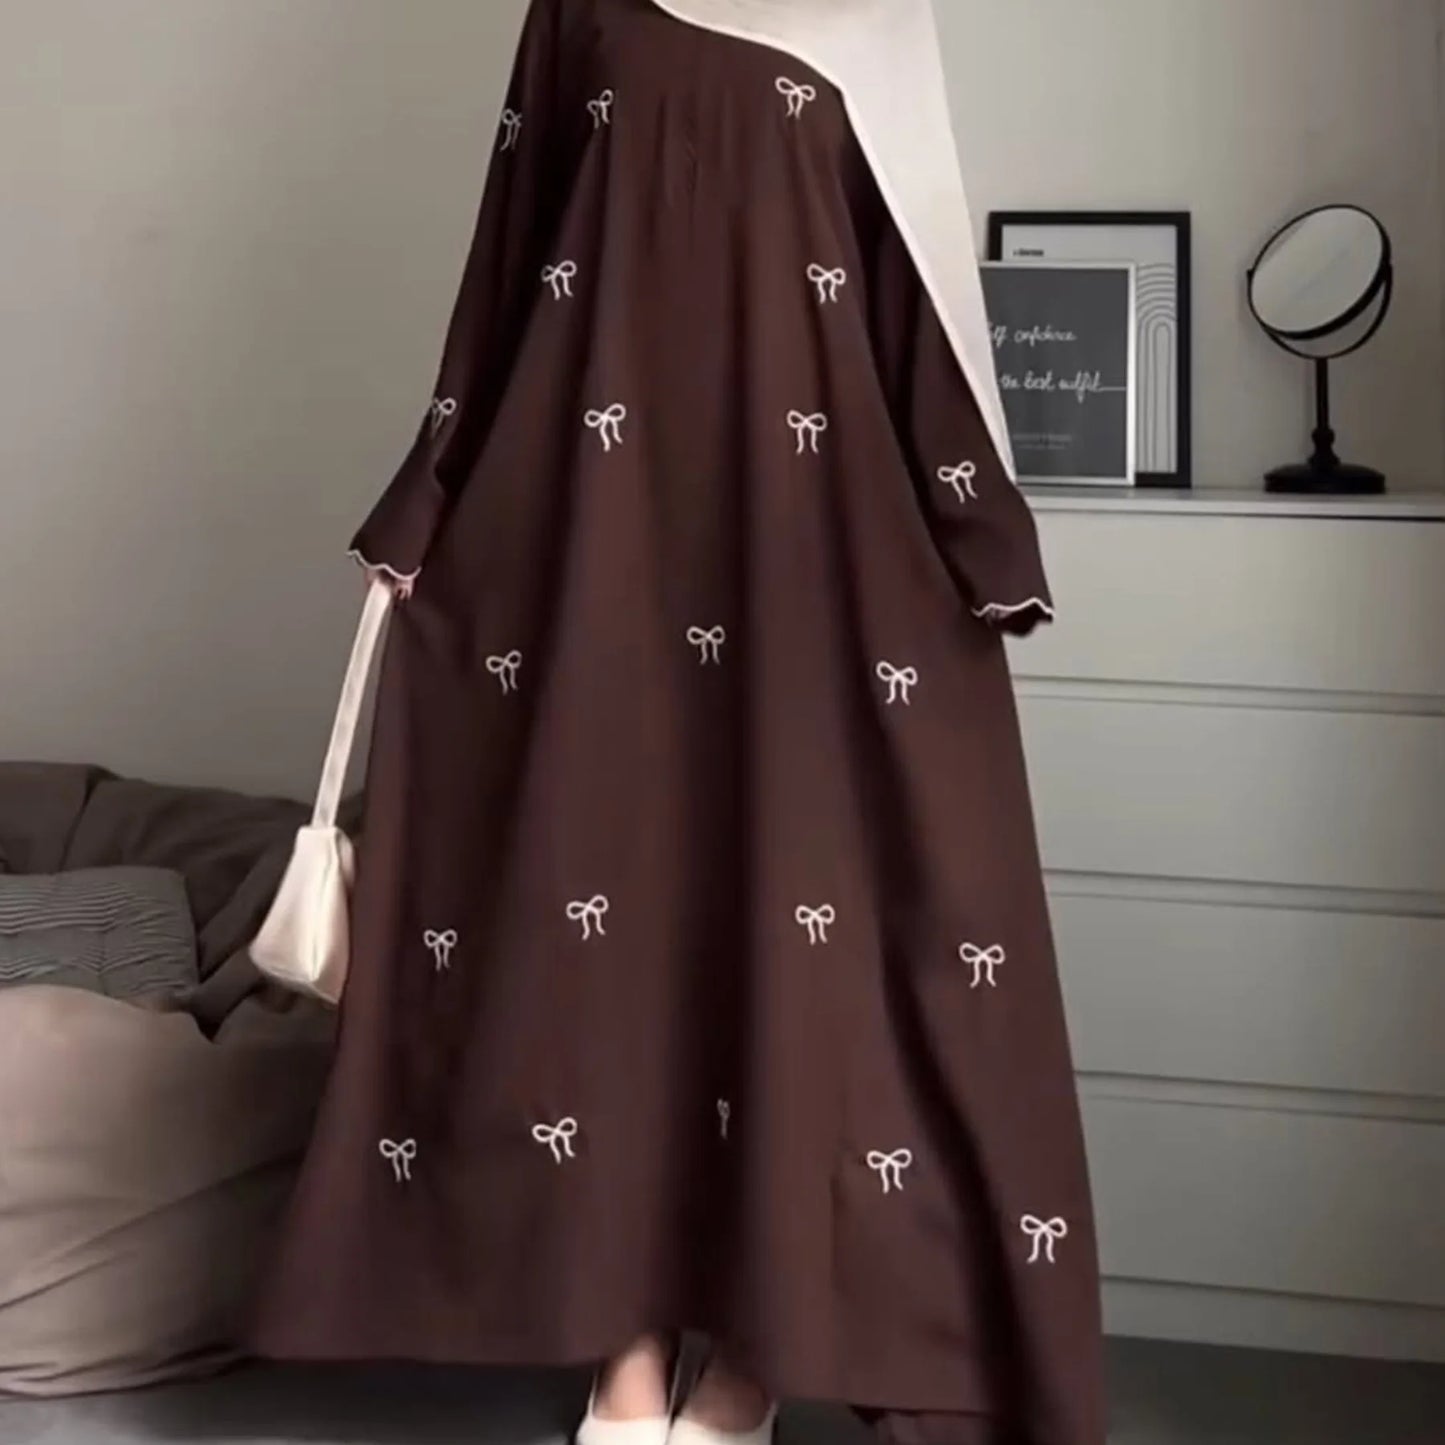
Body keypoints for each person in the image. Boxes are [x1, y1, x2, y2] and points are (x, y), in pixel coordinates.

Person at [252, 3, 1106, 1443]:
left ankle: (756, 1358)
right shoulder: (581, 7)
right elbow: (513, 247)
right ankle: (625, 1345)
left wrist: (976, 528)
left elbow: (913, 277)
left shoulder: (869, 14)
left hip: (813, 549)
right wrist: (435, 486)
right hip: (600, 542)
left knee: (801, 952)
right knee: (610, 954)